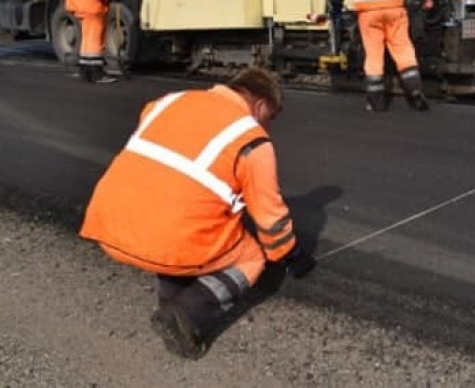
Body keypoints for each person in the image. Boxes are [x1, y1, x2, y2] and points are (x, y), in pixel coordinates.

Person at [79, 67, 316, 359]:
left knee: (180, 211)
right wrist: (291, 256)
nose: (268, 126)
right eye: (271, 117)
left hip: (109, 225)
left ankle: (168, 298)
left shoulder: (166, 102)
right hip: (166, 240)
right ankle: (189, 312)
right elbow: (270, 218)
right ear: (261, 104)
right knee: (252, 255)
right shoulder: (252, 140)